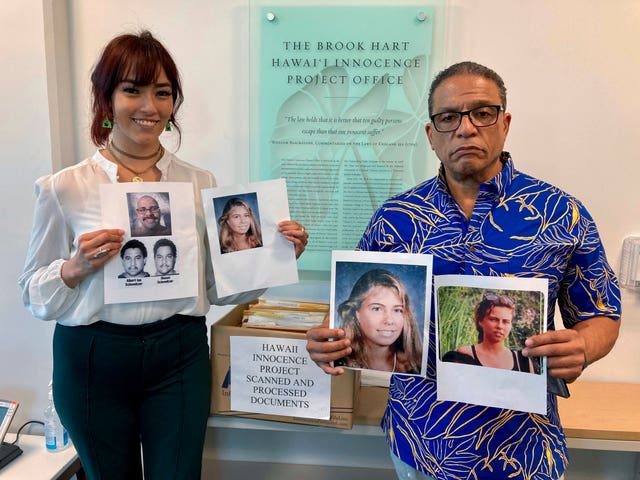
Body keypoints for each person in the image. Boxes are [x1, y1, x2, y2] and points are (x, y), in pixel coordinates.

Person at [306, 61, 621, 480]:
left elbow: (601, 315)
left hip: (523, 449)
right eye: (449, 117)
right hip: (420, 442)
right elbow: (349, 308)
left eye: (482, 113)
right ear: (431, 135)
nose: (466, 128)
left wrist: (582, 346)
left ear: (504, 123)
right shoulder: (396, 217)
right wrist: (328, 339)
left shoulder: (561, 213)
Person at [19, 31, 308, 480]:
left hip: (179, 354)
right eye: (132, 89)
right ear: (107, 98)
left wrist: (273, 255)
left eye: (163, 92)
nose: (149, 107)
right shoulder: (65, 187)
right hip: (94, 356)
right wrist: (74, 268)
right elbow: (33, 294)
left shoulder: (198, 181)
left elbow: (214, 287)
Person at [335, 268, 422, 374]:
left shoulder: (417, 367)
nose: (389, 320)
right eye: (377, 309)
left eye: (397, 310)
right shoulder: (337, 361)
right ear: (356, 313)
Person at [441, 292, 534, 373]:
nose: (500, 326)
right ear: (480, 321)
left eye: (506, 321)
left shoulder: (522, 361)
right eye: (494, 319)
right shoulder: (466, 353)